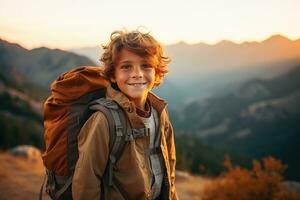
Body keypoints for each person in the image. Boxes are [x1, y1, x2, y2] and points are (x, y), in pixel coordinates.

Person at [72, 29, 179, 200]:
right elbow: (86, 182)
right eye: (126, 67)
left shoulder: (159, 112)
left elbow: (169, 165)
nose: (137, 74)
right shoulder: (104, 120)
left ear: (157, 72)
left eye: (146, 65)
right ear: (113, 75)